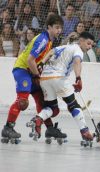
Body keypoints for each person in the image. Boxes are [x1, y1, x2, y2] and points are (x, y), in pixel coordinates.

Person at [1, 13, 63, 143]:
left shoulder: (50, 40)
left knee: (41, 100)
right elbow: (30, 60)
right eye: (57, 27)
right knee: (22, 101)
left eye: (60, 28)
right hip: (23, 69)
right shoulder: (43, 40)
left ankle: (50, 128)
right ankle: (8, 128)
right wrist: (36, 75)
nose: (59, 30)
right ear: (49, 27)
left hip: (31, 71)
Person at [30, 32, 95, 143]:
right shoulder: (78, 50)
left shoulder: (63, 46)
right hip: (59, 78)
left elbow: (51, 52)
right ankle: (85, 132)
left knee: (53, 108)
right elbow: (77, 62)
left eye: (91, 45)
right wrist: (78, 78)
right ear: (81, 41)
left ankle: (38, 118)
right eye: (88, 44)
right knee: (74, 105)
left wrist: (41, 63)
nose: (89, 47)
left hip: (44, 78)